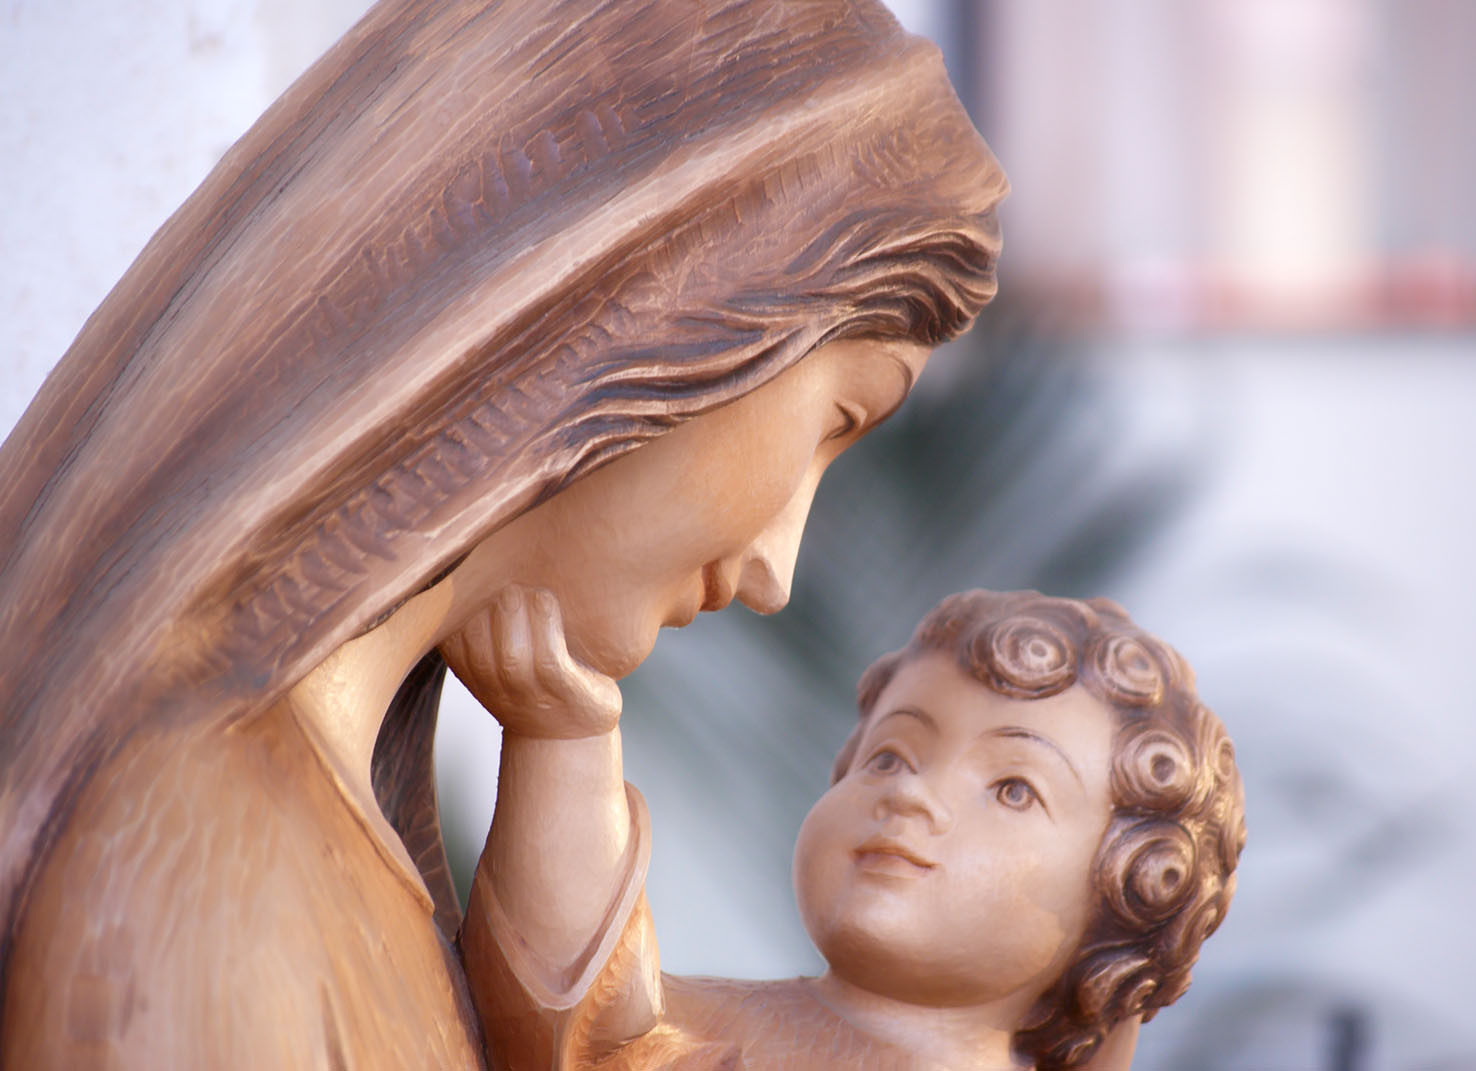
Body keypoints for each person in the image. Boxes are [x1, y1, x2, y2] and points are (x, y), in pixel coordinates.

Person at [0, 1, 1005, 1065]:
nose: (775, 573)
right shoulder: (207, 861)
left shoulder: (312, 835)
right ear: (671, 293)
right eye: (834, 421)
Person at [456, 589, 1246, 1071]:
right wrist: (564, 739)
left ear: (1121, 905)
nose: (911, 793)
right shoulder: (699, 1029)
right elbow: (571, 1022)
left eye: (1012, 789)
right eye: (889, 755)